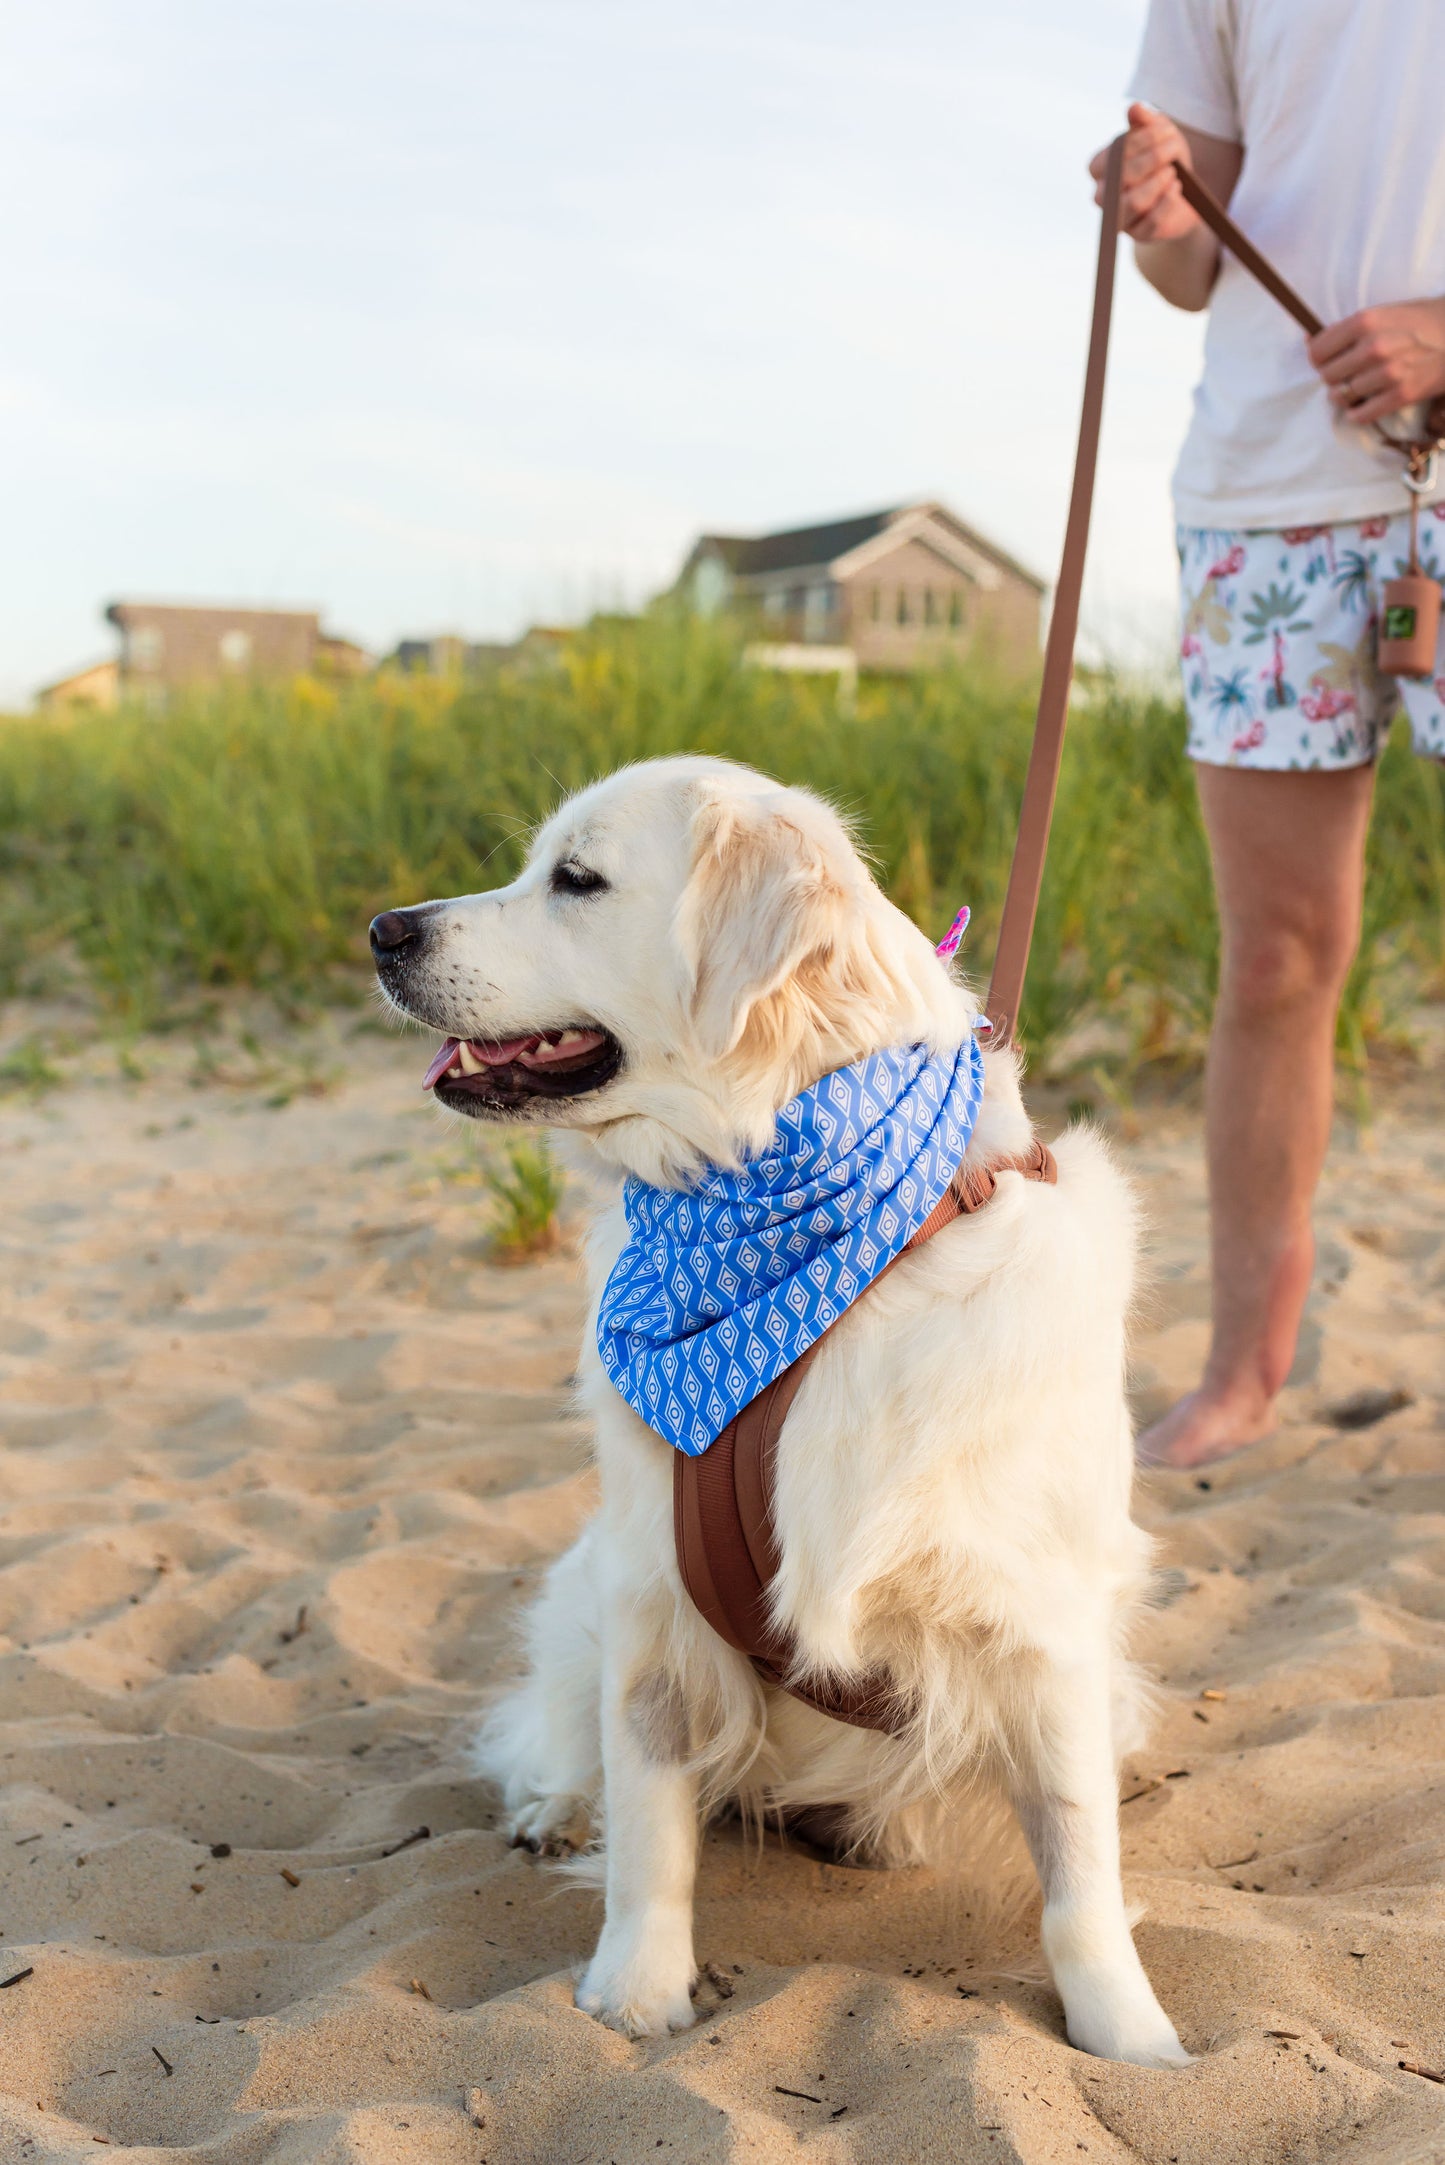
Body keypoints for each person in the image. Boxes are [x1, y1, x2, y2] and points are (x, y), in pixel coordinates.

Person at [1092, 2, 1445, 1469]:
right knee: (1280, 954)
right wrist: (1155, 207)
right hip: (1263, 490)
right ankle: (1244, 1368)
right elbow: (1186, 257)